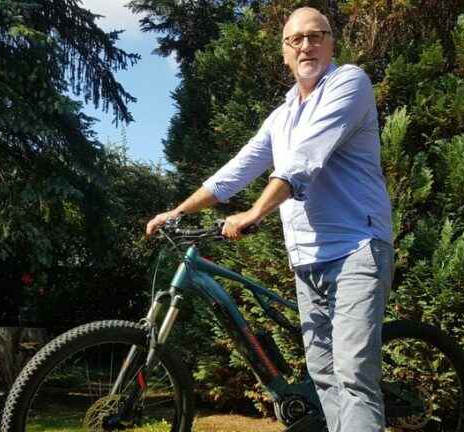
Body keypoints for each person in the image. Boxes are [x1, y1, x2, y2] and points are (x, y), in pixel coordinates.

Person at [145, 7, 393, 431]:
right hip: (307, 263)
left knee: (352, 376)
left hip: (356, 248)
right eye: (295, 39)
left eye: (316, 36)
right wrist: (179, 210)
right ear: (283, 53)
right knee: (325, 379)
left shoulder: (349, 83)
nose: (306, 45)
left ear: (332, 43)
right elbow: (236, 170)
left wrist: (255, 212)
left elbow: (304, 160)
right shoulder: (281, 117)